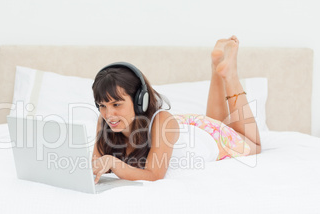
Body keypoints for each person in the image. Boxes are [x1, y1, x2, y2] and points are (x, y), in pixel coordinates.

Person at [92, 36, 261, 183]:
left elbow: (154, 175)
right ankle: (217, 67)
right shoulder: (105, 120)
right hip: (186, 127)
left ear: (139, 100)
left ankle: (230, 75)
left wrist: (113, 162)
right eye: (102, 106)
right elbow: (95, 166)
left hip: (209, 137)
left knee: (254, 144)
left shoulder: (162, 120)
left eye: (116, 104)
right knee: (217, 121)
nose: (109, 114)